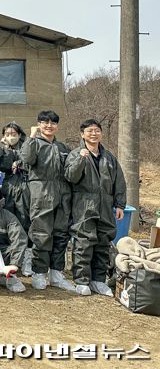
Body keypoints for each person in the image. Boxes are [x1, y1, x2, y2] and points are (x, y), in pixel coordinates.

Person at [65, 119, 127, 297]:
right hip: (84, 204)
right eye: (90, 131)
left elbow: (119, 182)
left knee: (103, 241)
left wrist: (120, 204)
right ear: (82, 134)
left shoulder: (109, 157)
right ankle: (82, 280)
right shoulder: (76, 154)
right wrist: (81, 159)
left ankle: (98, 280)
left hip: (106, 205)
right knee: (84, 241)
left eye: (97, 130)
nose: (94, 134)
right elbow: (70, 177)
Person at [20, 110, 74, 291]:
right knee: (41, 235)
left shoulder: (63, 148)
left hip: (62, 195)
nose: (49, 125)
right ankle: (39, 272)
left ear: (57, 126)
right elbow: (26, 159)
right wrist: (31, 137)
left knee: (60, 235)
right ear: (39, 124)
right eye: (45, 122)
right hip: (41, 193)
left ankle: (57, 274)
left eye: (52, 123)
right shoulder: (34, 144)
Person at [0, 121, 33, 275]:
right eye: (7, 134)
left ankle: (27, 258)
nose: (11, 137)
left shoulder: (26, 146)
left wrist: (19, 162)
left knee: (25, 221)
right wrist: (4, 149)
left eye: (13, 134)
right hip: (9, 188)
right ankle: (10, 259)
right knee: (9, 222)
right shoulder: (4, 148)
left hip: (25, 187)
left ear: (19, 135)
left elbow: (29, 161)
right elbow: (3, 165)